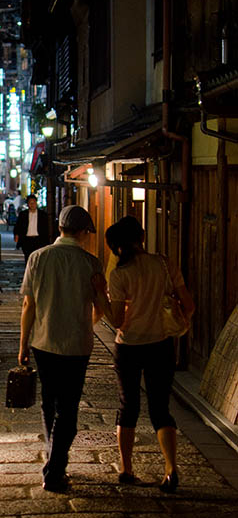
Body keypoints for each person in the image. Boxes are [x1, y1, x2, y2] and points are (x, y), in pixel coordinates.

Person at [100, 216, 195, 492]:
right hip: (161, 344)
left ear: (118, 246)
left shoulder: (120, 274)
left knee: (128, 407)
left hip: (129, 346)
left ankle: (127, 469)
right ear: (141, 239)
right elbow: (188, 304)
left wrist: (100, 296)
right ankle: (170, 468)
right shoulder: (163, 264)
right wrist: (171, 320)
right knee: (160, 408)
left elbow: (117, 320)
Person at [19, 205, 109, 492]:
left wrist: (23, 344)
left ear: (59, 228)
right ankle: (55, 469)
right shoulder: (91, 263)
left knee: (49, 401)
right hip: (76, 346)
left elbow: (28, 305)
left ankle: (54, 459)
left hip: (43, 343)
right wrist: (87, 323)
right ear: (83, 232)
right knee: (68, 408)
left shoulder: (38, 257)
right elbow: (100, 309)